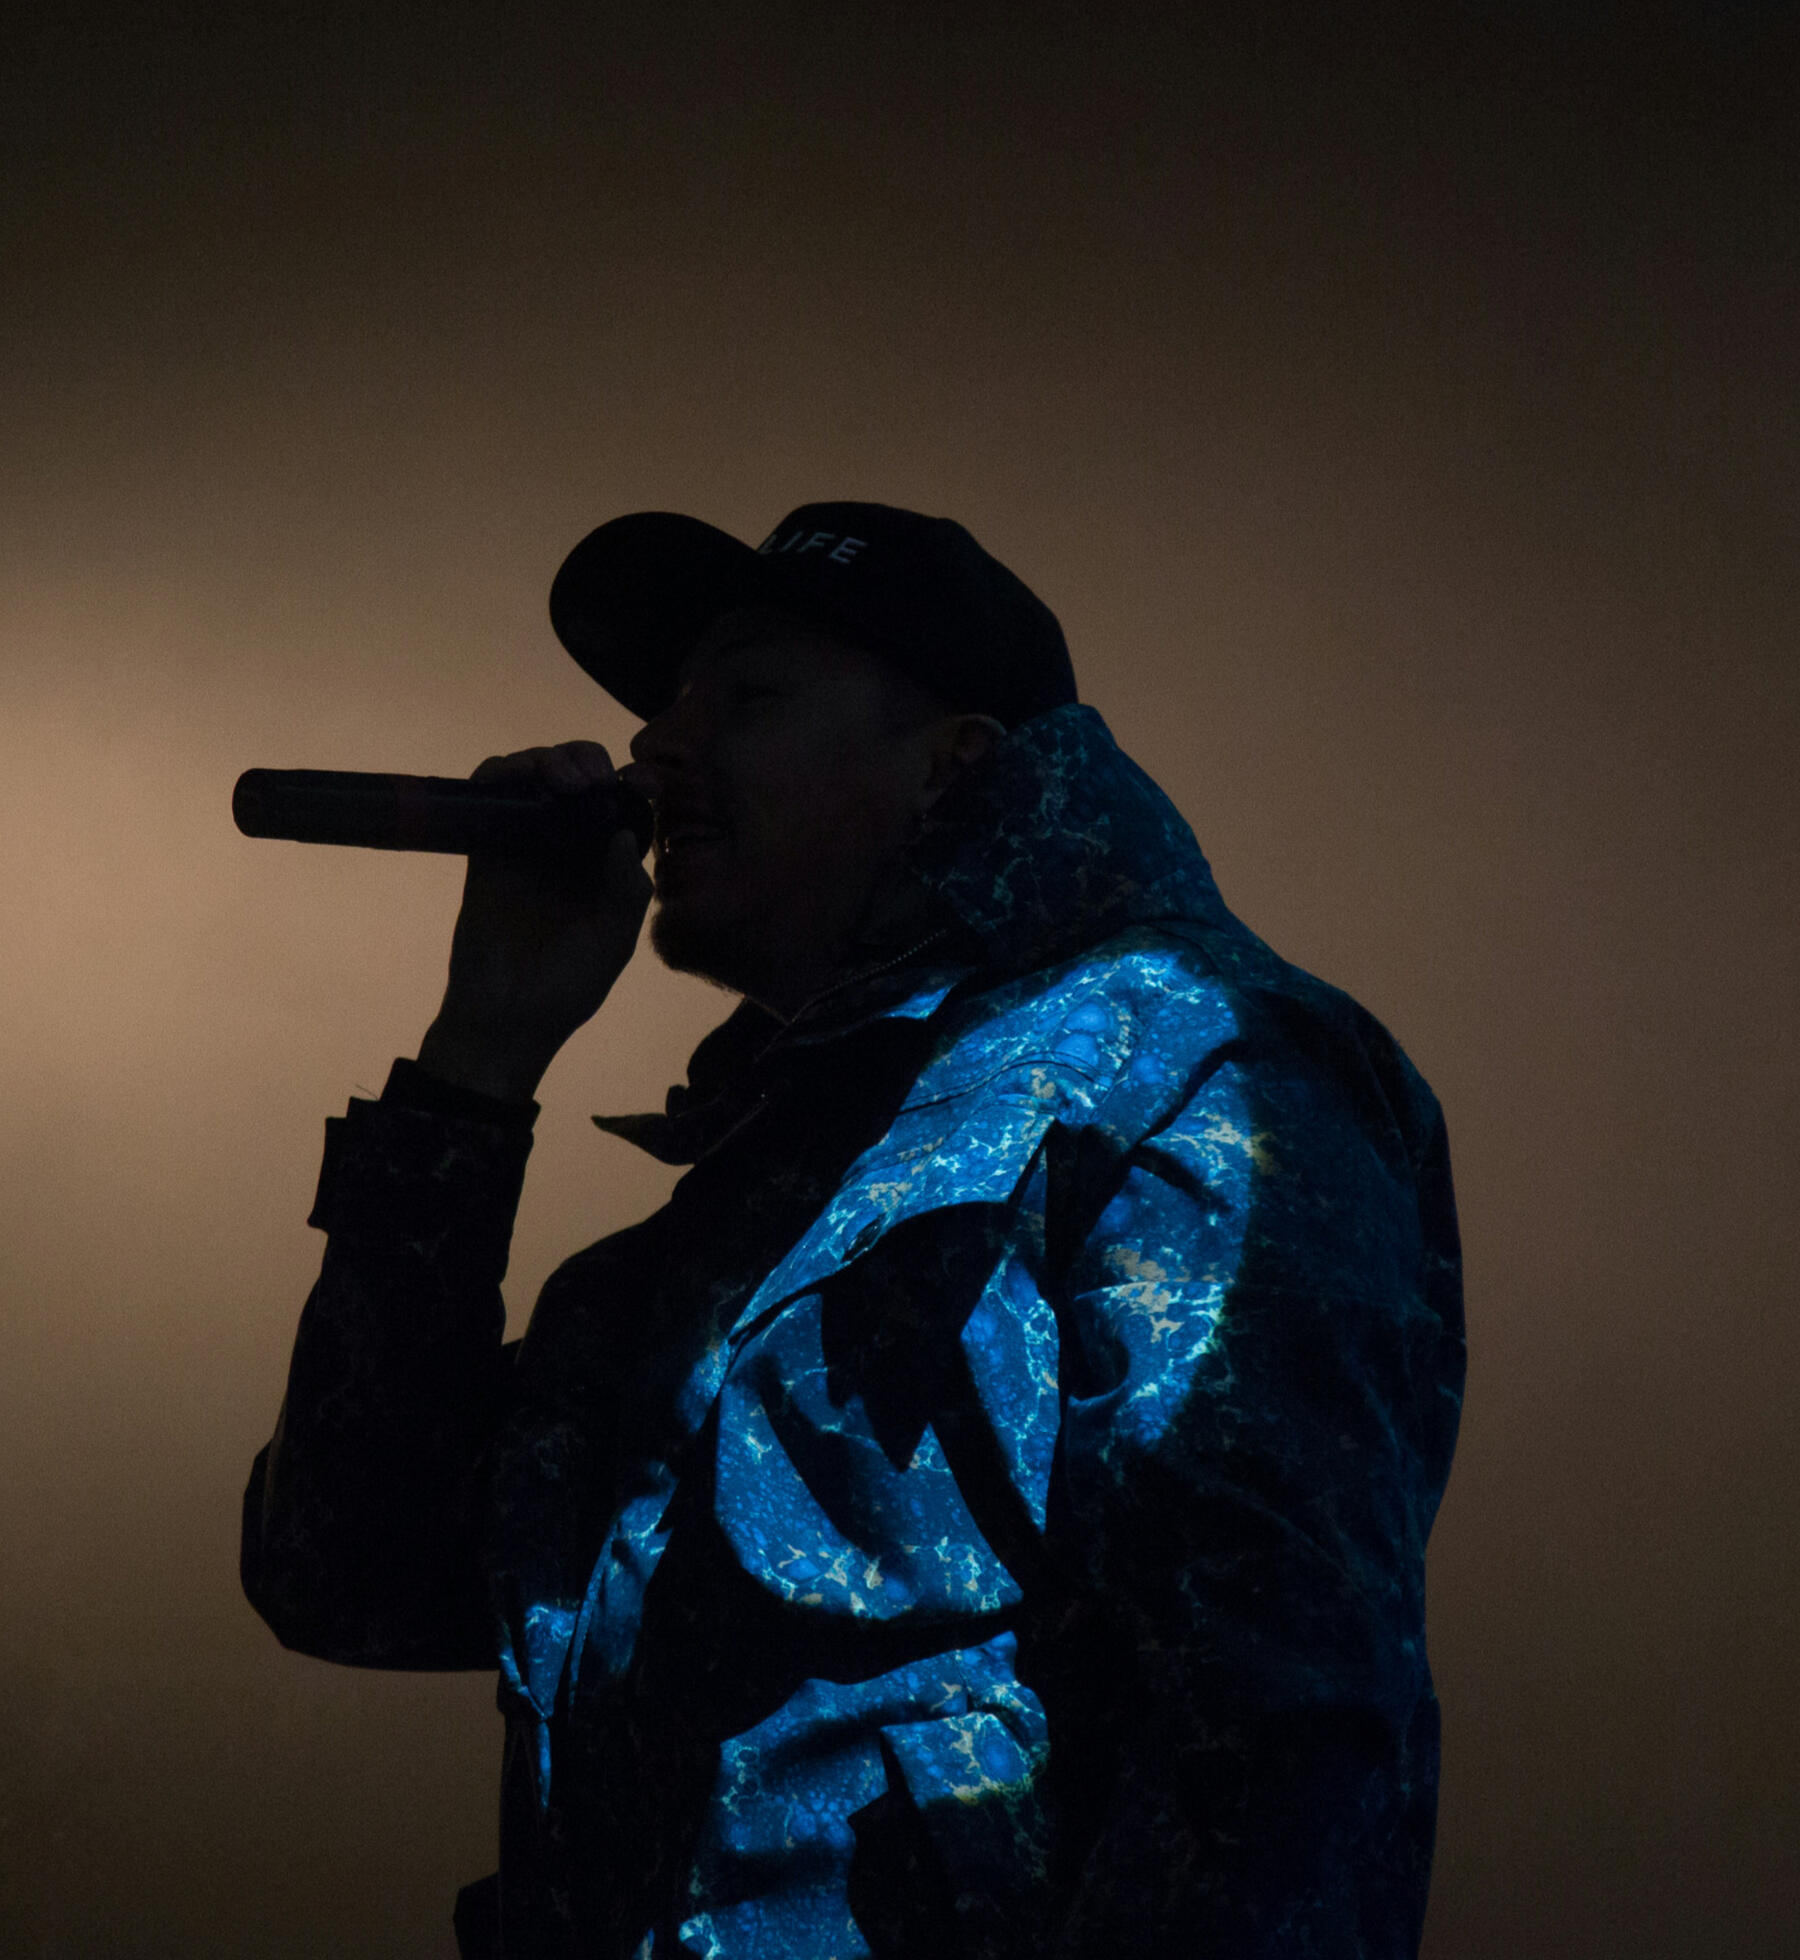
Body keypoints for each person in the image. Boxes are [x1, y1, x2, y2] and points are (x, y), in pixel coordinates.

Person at [242, 502, 1465, 1959]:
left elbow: (1285, 1733)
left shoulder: (1189, 1064)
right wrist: (479, 1063)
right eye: (664, 705)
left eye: (748, 697)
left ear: (955, 763)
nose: (655, 747)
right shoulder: (743, 1210)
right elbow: (348, 1571)